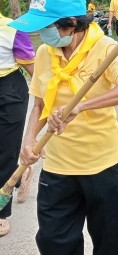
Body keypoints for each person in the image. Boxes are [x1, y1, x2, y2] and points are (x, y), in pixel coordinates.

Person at [13, 0, 118, 253]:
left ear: (71, 24)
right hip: (58, 168)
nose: (41, 33)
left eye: (46, 26)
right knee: (53, 242)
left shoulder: (105, 48)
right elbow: (39, 104)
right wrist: (28, 141)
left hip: (102, 165)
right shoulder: (45, 53)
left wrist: (82, 106)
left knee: (110, 243)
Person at [0, 12, 35, 237]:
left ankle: (1, 213)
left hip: (8, 91)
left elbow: (33, 69)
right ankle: (21, 173)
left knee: (4, 152)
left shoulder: (13, 28)